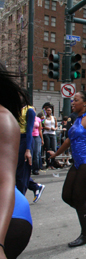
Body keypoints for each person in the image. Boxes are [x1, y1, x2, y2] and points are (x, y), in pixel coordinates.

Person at [48, 91, 86, 247]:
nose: (72, 103)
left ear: (85, 103)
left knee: (79, 199)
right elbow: (68, 140)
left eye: (76, 100)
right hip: (78, 163)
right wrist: (56, 154)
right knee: (67, 196)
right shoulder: (77, 120)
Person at [0, 63, 33, 259]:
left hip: (8, 216)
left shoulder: (4, 117)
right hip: (15, 144)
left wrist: (29, 149)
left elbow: (5, 181)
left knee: (19, 176)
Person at [43, 105, 57, 170]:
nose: (49, 111)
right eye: (48, 110)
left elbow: (56, 126)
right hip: (46, 133)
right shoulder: (44, 118)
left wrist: (54, 128)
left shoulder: (54, 117)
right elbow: (41, 126)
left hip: (52, 133)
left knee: (54, 149)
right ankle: (48, 164)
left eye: (50, 110)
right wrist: (46, 127)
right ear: (46, 111)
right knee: (48, 149)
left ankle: (52, 164)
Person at [32, 108, 44, 175]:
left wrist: (42, 139)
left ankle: (36, 169)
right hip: (30, 136)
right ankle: (29, 168)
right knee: (31, 153)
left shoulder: (38, 119)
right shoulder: (27, 118)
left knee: (36, 153)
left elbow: (40, 130)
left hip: (36, 136)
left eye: (34, 110)